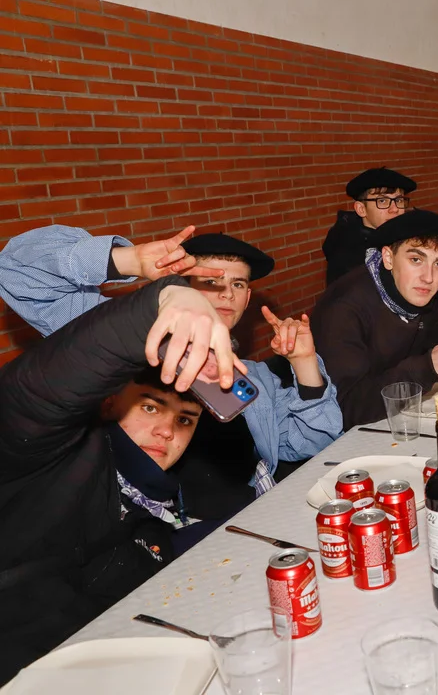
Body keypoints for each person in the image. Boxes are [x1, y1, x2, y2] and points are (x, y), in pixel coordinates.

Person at [0, 226, 343, 520]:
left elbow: (312, 444)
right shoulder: (118, 343)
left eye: (238, 284)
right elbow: (14, 270)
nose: (226, 293)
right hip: (141, 539)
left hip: (246, 529)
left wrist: (304, 362)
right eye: (211, 280)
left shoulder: (252, 379)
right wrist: (130, 261)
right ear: (180, 287)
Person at [0, 273, 242, 684]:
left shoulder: (154, 508)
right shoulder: (51, 460)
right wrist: (160, 302)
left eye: (185, 420)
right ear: (110, 402)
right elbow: (34, 396)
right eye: (150, 408)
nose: (167, 431)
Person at [312, 210, 438, 429]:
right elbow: (347, 407)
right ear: (388, 258)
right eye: (416, 260)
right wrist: (426, 367)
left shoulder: (415, 294)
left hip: (395, 420)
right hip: (345, 438)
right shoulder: (343, 309)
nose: (428, 277)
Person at [322, 167, 416, 285]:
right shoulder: (351, 260)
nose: (395, 209)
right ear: (361, 209)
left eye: (399, 200)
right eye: (382, 201)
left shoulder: (406, 237)